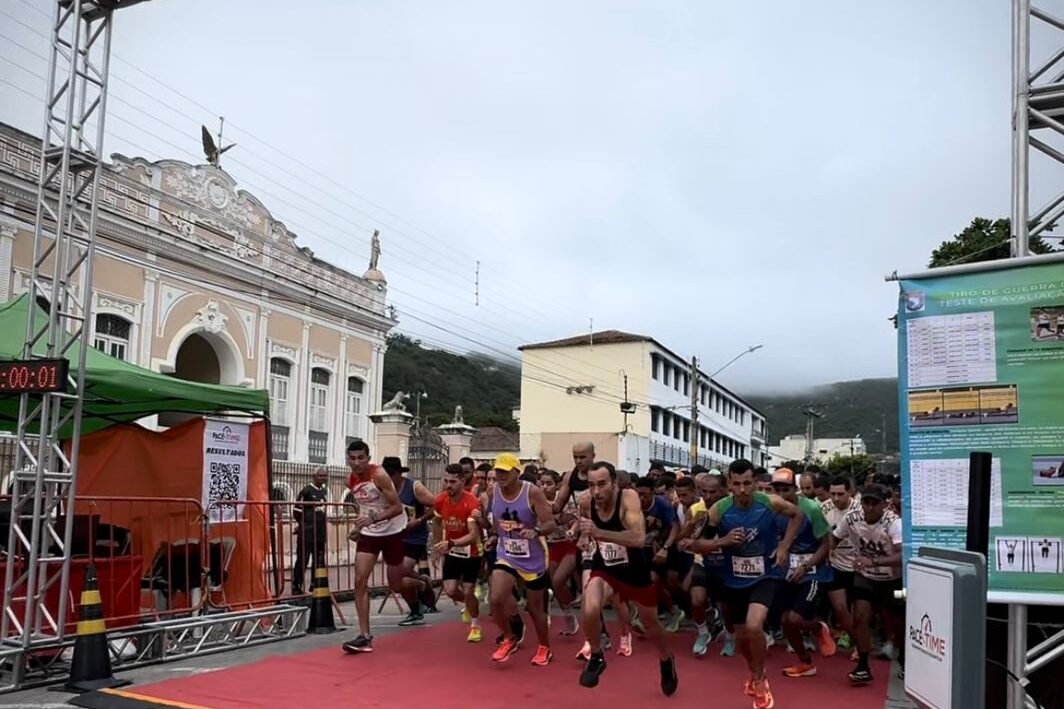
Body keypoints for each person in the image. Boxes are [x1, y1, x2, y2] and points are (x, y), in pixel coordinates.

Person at [698, 459, 804, 709]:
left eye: (748, 483)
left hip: (764, 575)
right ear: (729, 486)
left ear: (755, 483)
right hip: (733, 580)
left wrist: (784, 546)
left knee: (755, 626)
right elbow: (700, 545)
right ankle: (755, 673)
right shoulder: (718, 510)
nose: (743, 489)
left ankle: (760, 678)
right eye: (737, 484)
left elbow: (797, 515)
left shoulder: (769, 502)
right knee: (744, 640)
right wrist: (722, 541)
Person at [576, 461, 678, 695]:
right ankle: (597, 655)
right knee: (589, 606)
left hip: (635, 571)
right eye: (591, 485)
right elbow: (586, 526)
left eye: (602, 484)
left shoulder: (628, 497)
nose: (596, 491)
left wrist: (599, 533)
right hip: (607, 567)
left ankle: (666, 659)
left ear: (614, 483)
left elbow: (638, 538)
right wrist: (582, 535)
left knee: (650, 623)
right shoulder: (585, 501)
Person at [486, 453, 556, 666]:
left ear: (517, 473)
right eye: (498, 471)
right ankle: (509, 637)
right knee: (496, 598)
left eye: (505, 472)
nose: (500, 475)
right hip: (506, 554)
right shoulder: (493, 492)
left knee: (535, 609)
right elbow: (496, 521)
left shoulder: (532, 493)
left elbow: (550, 523)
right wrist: (494, 536)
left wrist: (535, 531)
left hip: (532, 557)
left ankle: (544, 646)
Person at [769, 468, 837, 678]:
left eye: (786, 489)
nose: (781, 494)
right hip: (784, 572)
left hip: (812, 572)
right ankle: (805, 662)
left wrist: (805, 566)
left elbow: (826, 545)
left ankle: (817, 627)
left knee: (796, 618)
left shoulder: (811, 509)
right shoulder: (771, 509)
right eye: (777, 489)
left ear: (795, 489)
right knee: (785, 621)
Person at [833, 483, 904, 684]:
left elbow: (901, 555)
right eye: (866, 502)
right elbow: (834, 537)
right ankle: (863, 664)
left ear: (884, 504)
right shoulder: (852, 518)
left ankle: (904, 659)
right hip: (865, 576)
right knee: (860, 617)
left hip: (891, 578)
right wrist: (828, 553)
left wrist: (873, 561)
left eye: (875, 503)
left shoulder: (893, 523)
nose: (870, 507)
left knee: (897, 623)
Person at [342, 441, 407, 654]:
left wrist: (374, 518)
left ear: (368, 458)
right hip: (370, 534)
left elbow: (397, 507)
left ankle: (420, 581)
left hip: (393, 530)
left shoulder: (378, 475)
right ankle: (364, 636)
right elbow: (364, 504)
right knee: (360, 580)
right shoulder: (350, 479)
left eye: (361, 458)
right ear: (348, 458)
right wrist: (360, 527)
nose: (357, 462)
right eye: (352, 458)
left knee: (397, 583)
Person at [432, 464, 483, 643]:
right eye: (446, 481)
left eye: (453, 482)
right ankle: (470, 605)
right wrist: (437, 545)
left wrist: (451, 543)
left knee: (469, 590)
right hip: (451, 550)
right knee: (452, 591)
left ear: (462, 481)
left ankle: (475, 625)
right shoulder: (440, 500)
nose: (448, 485)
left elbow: (473, 534)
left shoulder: (471, 502)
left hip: (472, 551)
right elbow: (437, 522)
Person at [680, 472, 730, 656]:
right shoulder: (695, 509)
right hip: (702, 561)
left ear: (723, 491)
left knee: (727, 606)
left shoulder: (731, 507)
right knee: (696, 599)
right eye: (704, 492)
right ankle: (703, 633)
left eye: (713, 492)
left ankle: (729, 634)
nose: (708, 497)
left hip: (726, 564)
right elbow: (682, 540)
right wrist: (688, 530)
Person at [384, 456, 437, 626]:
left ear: (399, 473)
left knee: (401, 572)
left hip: (414, 538)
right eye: (386, 475)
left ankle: (417, 607)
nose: (389, 478)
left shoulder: (414, 487)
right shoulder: (383, 489)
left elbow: (437, 506)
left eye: (391, 474)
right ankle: (422, 585)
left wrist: (420, 520)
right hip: (394, 537)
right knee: (396, 583)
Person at [635, 476, 684, 632]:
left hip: (666, 546)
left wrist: (666, 547)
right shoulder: (633, 505)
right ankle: (665, 612)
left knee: (656, 581)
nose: (642, 498)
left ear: (653, 493)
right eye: (639, 494)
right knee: (649, 583)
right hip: (645, 548)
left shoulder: (662, 505)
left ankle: (674, 611)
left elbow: (675, 527)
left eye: (645, 494)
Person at [540, 469, 581, 636]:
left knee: (558, 579)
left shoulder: (564, 499)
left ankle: (574, 613)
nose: (544, 487)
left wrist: (571, 528)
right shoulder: (537, 500)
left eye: (549, 484)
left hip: (570, 543)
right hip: (553, 545)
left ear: (557, 486)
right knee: (555, 583)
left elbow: (577, 517)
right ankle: (568, 613)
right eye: (541, 483)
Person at [822, 475, 861, 651]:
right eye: (833, 494)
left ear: (850, 492)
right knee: (839, 609)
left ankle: (859, 647)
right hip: (835, 565)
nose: (836, 498)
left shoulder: (860, 509)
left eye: (840, 494)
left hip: (858, 567)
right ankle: (856, 639)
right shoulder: (824, 509)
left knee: (859, 612)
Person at [291, 467, 329, 595]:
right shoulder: (306, 491)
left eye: (325, 476)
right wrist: (302, 524)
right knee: (303, 560)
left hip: (320, 533)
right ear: (314, 476)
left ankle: (315, 584)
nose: (323, 478)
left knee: (319, 561)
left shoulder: (324, 491)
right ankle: (296, 585)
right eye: (321, 475)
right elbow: (296, 511)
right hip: (307, 533)